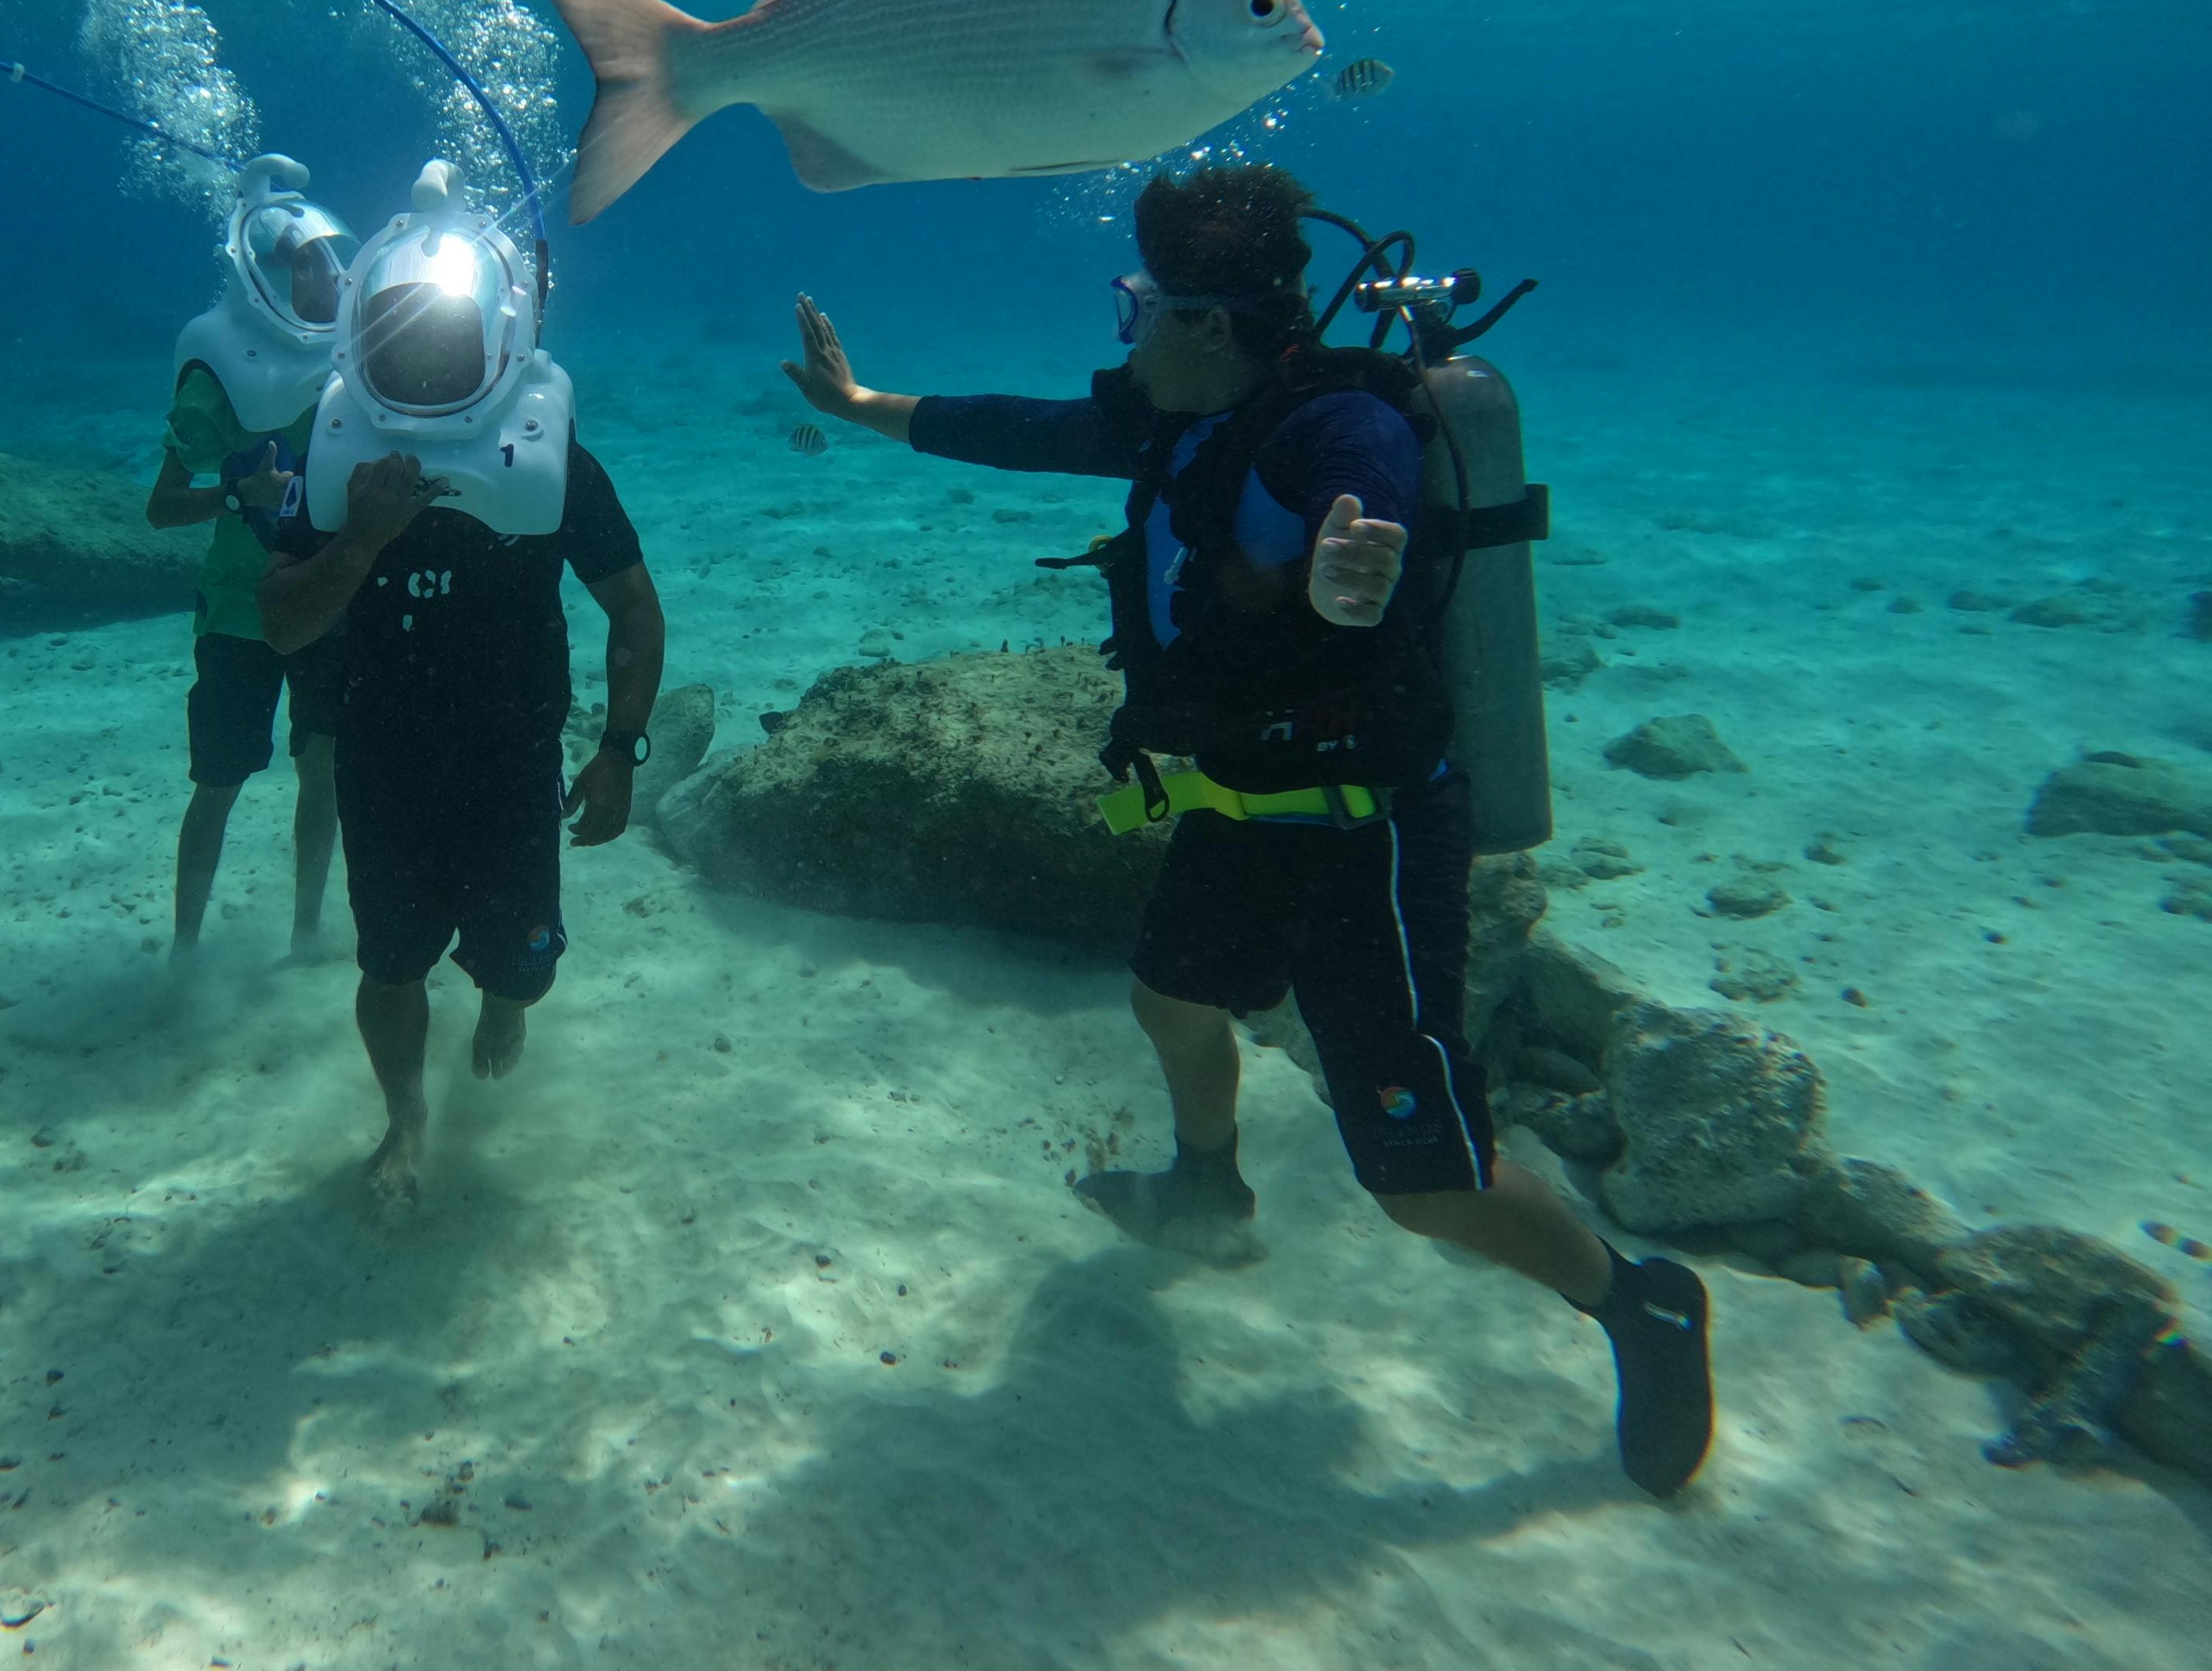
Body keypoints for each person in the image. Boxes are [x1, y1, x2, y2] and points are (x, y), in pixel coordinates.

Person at [782, 162, 1715, 1498]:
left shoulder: (1334, 431)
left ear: (1208, 324)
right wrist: (864, 407)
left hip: (1366, 837)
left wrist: (1349, 583)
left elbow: (1365, 523)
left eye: (1136, 306)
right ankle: (1207, 1188)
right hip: (1239, 807)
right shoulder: (1182, 420)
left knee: (1420, 1182)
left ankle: (1640, 1300)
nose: (1123, 333)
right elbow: (1027, 429)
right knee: (1170, 997)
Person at [260, 163, 665, 1212]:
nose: (426, 355)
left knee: (519, 966)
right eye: (403, 333)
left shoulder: (551, 454)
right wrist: (362, 537)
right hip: (384, 758)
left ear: (498, 330)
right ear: (364, 331)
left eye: (445, 334)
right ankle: (405, 1117)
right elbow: (281, 619)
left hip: (511, 760)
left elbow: (635, 607)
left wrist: (620, 750)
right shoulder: (339, 457)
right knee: (390, 966)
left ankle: (509, 997)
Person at [150, 155, 352, 960]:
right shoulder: (216, 372)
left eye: (333, 257)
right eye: (307, 263)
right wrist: (236, 499)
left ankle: (306, 932)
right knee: (219, 784)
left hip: (325, 598)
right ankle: (185, 950)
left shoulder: (352, 355)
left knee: (323, 770)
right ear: (265, 278)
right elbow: (162, 508)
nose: (331, 276)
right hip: (238, 609)